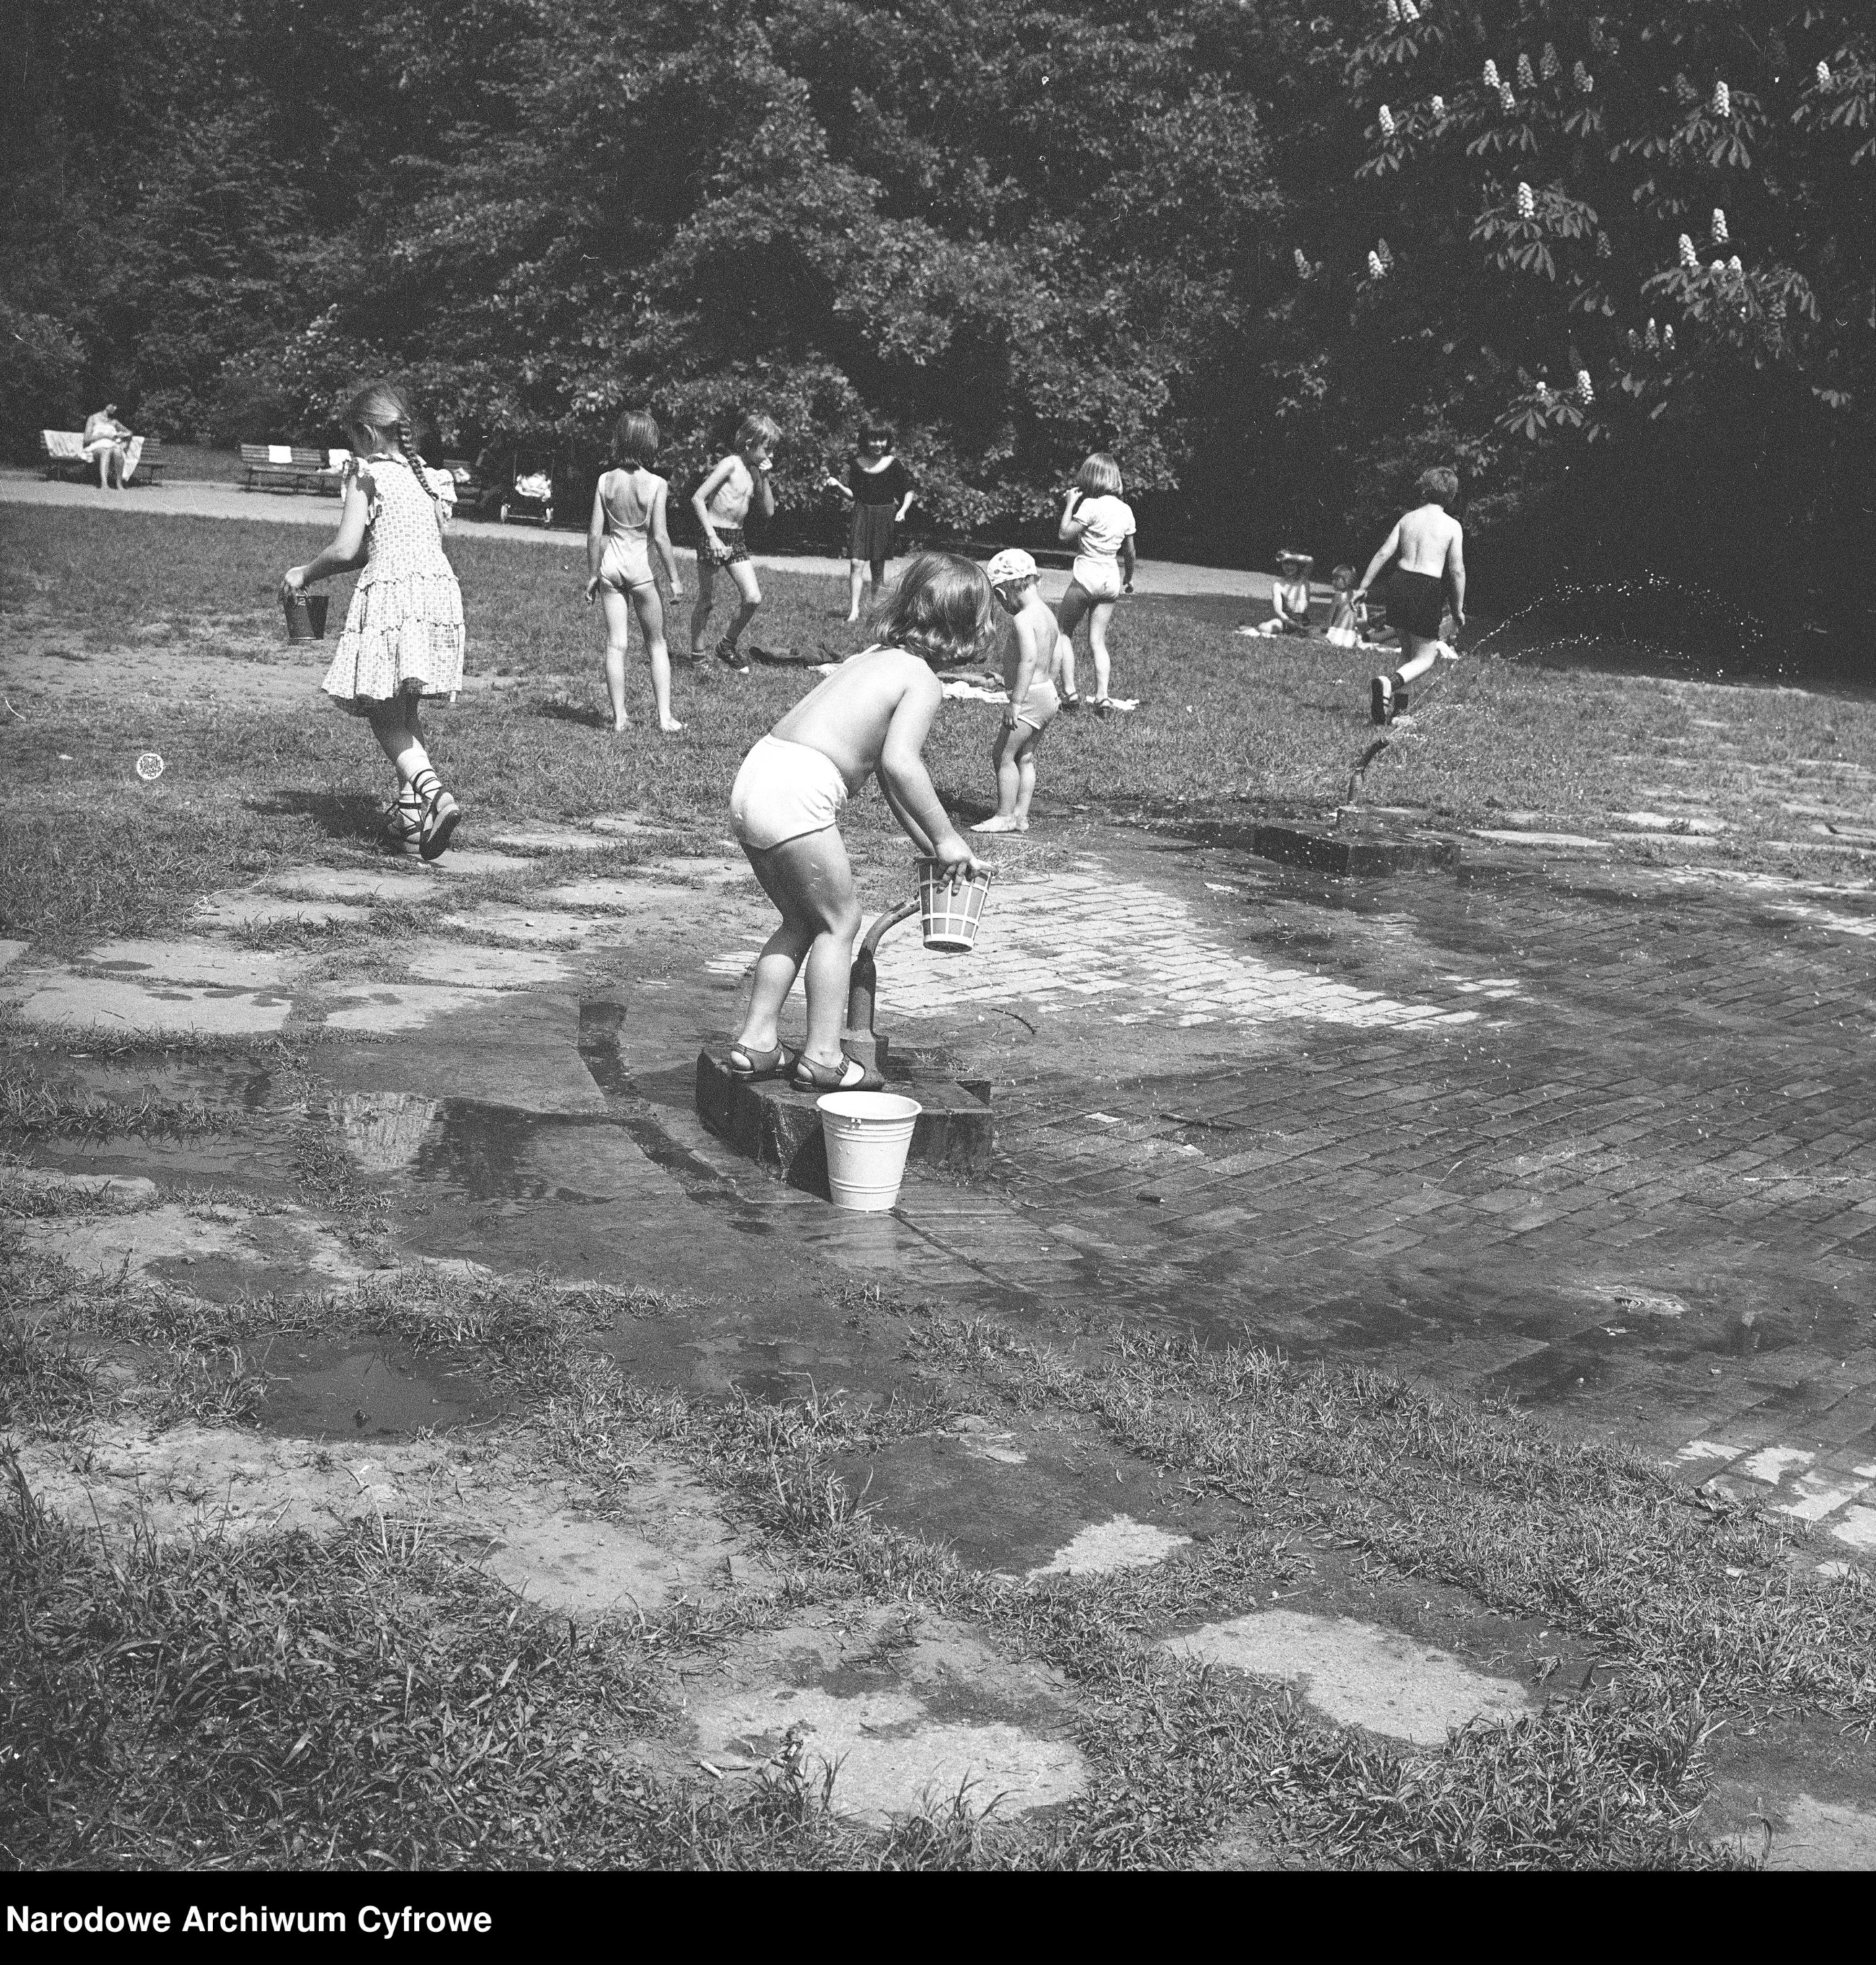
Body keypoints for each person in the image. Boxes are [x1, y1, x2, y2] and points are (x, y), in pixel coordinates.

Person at [724, 552, 994, 1093]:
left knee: (800, 920)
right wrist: (948, 837)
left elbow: (889, 781)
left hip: (759, 775)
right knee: (840, 922)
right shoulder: (921, 679)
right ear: (965, 625)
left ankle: (756, 1042)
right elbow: (902, 764)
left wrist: (934, 845)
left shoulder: (872, 656)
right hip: (800, 788)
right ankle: (824, 1056)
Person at [279, 383, 465, 859]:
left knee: (380, 709)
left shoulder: (366, 475)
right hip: (435, 595)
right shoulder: (428, 478)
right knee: (405, 708)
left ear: (365, 434)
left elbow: (347, 550)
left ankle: (434, 793)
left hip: (392, 597)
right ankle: (410, 823)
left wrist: (304, 573)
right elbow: (379, 543)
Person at [584, 409, 684, 734]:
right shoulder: (656, 484)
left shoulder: (604, 481)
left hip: (611, 567)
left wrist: (593, 574)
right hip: (639, 569)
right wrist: (674, 578)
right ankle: (665, 718)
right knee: (657, 643)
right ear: (649, 443)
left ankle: (619, 718)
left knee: (616, 644)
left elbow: (594, 534)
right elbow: (661, 536)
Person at [1356, 466, 1466, 725]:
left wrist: (1363, 587)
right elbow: (1457, 570)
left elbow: (1384, 553)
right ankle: (1389, 683)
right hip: (1426, 587)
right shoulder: (1452, 526)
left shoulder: (1407, 519)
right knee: (1426, 657)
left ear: (1424, 490)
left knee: (1408, 650)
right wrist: (1458, 609)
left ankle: (1400, 713)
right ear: (1452, 496)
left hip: (1399, 582)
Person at [971, 548, 1061, 834]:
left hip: (1029, 699)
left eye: (999, 599)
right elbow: (1056, 655)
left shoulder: (1023, 618)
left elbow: (1029, 660)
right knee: (1025, 757)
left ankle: (1005, 815)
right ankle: (1021, 815)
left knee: (1003, 755)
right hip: (1046, 693)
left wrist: (1016, 702)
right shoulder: (1048, 614)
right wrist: (1047, 686)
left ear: (1003, 592)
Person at [690, 413, 780, 673]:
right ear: (750, 443)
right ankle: (698, 657)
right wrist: (712, 537)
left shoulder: (755, 473)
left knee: (753, 598)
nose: (771, 455)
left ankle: (726, 645)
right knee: (707, 601)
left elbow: (769, 511)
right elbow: (698, 499)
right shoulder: (730, 464)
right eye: (767, 448)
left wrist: (765, 478)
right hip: (713, 534)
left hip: (736, 538)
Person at [1055, 452, 1136, 716]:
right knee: (1097, 640)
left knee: (1063, 632)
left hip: (1086, 575)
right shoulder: (1125, 510)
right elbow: (1130, 552)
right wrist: (1129, 578)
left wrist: (1070, 503)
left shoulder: (1090, 505)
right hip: (1111, 577)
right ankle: (1103, 697)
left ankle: (1070, 693)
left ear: (1090, 477)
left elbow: (1064, 534)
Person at [824, 426, 915, 621]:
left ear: (887, 441)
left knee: (877, 566)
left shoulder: (894, 464)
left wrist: (903, 510)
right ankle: (854, 611)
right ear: (865, 441)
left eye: (882, 440)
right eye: (873, 440)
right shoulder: (857, 464)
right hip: (862, 513)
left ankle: (876, 610)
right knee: (856, 563)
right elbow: (853, 495)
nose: (878, 444)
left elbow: (908, 489)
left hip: (884, 515)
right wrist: (838, 485)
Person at [1240, 551, 1316, 636]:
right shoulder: (1278, 585)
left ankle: (1253, 628)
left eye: (1292, 564)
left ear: (1298, 565)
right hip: (1286, 619)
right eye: (1286, 563)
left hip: (1303, 619)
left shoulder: (1304, 580)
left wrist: (1290, 556)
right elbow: (1278, 611)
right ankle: (1255, 628)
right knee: (1266, 629)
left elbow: (1310, 560)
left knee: (1319, 634)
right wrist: (1289, 621)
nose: (1289, 567)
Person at [82, 404, 131, 489]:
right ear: (105, 405)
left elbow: (129, 433)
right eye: (113, 405)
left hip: (112, 445)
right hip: (97, 447)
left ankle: (119, 483)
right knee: (105, 451)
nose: (115, 408)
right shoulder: (93, 418)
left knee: (118, 451)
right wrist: (105, 436)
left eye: (116, 406)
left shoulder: (114, 422)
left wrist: (122, 436)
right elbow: (86, 439)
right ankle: (104, 484)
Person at [1324, 564, 1366, 648]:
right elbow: (1364, 619)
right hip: (1351, 638)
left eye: (1337, 579)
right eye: (1333, 579)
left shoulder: (1338, 596)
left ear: (1347, 581)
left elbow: (1330, 617)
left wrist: (1325, 629)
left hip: (1336, 636)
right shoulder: (1358, 596)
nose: (1333, 582)